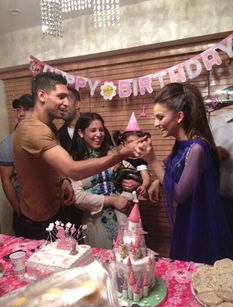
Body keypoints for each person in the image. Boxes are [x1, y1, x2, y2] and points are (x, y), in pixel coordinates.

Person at [13, 72, 149, 240]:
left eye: (68, 97)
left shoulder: (48, 127)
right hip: (39, 220)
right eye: (61, 97)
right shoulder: (32, 130)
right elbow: (73, 170)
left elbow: (53, 166)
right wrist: (122, 154)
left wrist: (62, 180)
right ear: (42, 95)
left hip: (58, 212)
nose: (67, 103)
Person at [145, 82, 233, 264]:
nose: (155, 123)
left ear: (179, 116)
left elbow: (178, 195)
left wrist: (151, 161)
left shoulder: (197, 149)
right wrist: (157, 181)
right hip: (187, 220)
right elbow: (172, 165)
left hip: (199, 224)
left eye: (160, 117)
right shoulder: (181, 146)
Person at [70, 112, 132, 249]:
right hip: (95, 222)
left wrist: (134, 183)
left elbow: (132, 174)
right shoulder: (74, 162)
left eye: (101, 130)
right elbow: (77, 197)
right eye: (93, 130)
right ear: (80, 133)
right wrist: (111, 200)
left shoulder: (112, 154)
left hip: (123, 217)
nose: (98, 134)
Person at [0, 94, 34, 236]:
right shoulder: (8, 144)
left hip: (52, 207)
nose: (21, 114)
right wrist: (18, 209)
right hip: (26, 209)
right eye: (18, 109)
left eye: (26, 109)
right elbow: (6, 180)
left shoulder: (47, 135)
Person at [210, 110, 233, 245]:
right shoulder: (216, 122)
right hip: (223, 202)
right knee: (225, 249)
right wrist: (213, 152)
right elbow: (197, 149)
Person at [113, 112, 151, 198]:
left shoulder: (139, 160)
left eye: (137, 142)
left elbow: (145, 176)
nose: (134, 145)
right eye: (130, 142)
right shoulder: (119, 157)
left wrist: (144, 186)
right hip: (115, 191)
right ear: (123, 144)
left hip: (131, 194)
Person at [58, 87, 81, 154]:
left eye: (66, 100)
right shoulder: (59, 134)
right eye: (60, 102)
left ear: (77, 104)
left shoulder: (94, 127)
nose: (62, 106)